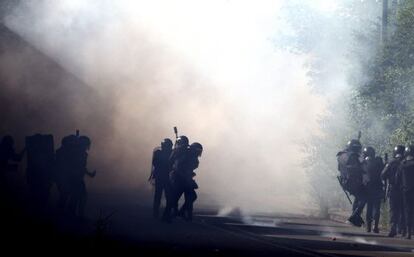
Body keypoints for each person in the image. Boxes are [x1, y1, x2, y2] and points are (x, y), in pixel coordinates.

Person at [337, 139, 366, 227]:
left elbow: (339, 169)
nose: (358, 150)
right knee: (364, 198)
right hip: (352, 182)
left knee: (359, 198)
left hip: (344, 181)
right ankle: (353, 218)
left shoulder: (341, 155)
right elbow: (356, 169)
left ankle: (356, 218)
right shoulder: (352, 156)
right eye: (357, 148)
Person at [162, 135, 189, 222]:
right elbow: (172, 164)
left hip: (179, 177)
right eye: (183, 144)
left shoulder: (181, 152)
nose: (184, 147)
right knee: (172, 198)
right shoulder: (176, 152)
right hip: (174, 177)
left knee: (173, 198)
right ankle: (166, 217)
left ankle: (170, 215)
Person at [68, 135, 96, 219]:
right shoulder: (81, 154)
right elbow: (80, 167)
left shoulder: (76, 152)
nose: (88, 146)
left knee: (76, 196)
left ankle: (73, 214)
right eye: (87, 144)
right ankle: (77, 214)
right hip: (76, 178)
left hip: (75, 178)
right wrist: (89, 174)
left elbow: (81, 167)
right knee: (80, 196)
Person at [381, 145, 406, 237]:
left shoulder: (391, 163)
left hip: (393, 190)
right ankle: (403, 230)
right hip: (404, 190)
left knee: (393, 210)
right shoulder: (406, 162)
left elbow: (383, 175)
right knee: (403, 210)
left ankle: (393, 228)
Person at [176, 142, 203, 221]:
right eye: (198, 150)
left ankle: (183, 213)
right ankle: (179, 213)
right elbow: (178, 167)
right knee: (177, 198)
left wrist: (190, 174)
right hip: (180, 179)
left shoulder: (192, 157)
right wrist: (185, 175)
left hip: (186, 179)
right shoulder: (186, 156)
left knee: (191, 197)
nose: (199, 152)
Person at [362, 146, 384, 233]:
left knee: (369, 207)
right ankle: (375, 226)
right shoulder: (378, 161)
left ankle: (369, 226)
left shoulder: (364, 162)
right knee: (376, 208)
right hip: (378, 186)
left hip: (368, 187)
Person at [149, 138, 173, 218]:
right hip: (161, 177)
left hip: (167, 177)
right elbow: (157, 164)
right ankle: (156, 213)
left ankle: (166, 214)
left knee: (168, 196)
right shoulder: (158, 153)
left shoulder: (170, 153)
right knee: (158, 196)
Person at [0, 135, 25, 204]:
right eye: (11, 144)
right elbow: (17, 158)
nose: (12, 147)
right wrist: (25, 148)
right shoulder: (6, 149)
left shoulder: (3, 148)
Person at [396, 145, 414, 239]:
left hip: (405, 191)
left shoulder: (402, 164)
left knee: (406, 211)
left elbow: (397, 179)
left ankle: (406, 231)